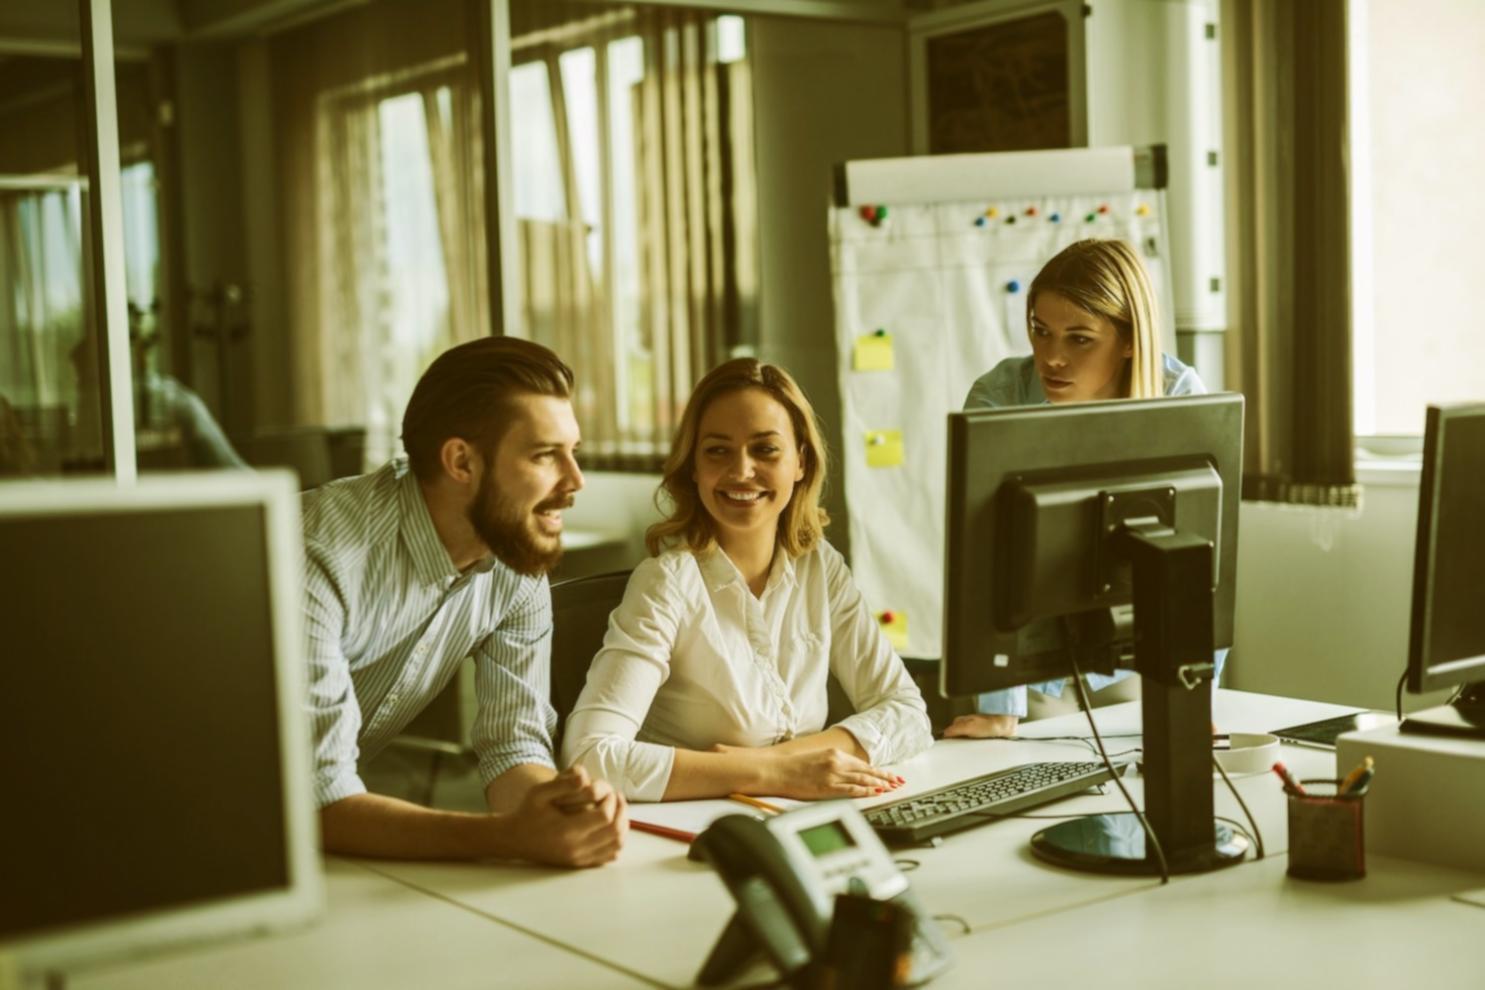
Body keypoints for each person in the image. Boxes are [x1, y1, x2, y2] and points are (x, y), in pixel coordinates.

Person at [305, 336, 626, 867]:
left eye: (574, 452)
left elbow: (512, 745)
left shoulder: (514, 561)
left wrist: (557, 811)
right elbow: (319, 799)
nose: (575, 481)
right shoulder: (319, 557)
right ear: (461, 462)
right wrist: (510, 838)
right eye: (546, 455)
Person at [561, 359, 933, 802]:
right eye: (717, 450)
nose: (741, 471)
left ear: (801, 461)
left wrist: (788, 762)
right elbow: (589, 757)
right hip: (696, 835)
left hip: (797, 817)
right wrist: (772, 774)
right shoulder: (666, 582)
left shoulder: (820, 566)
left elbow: (908, 713)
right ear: (693, 467)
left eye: (765, 449)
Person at [944, 237, 1220, 739]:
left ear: (1131, 338)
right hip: (1027, 658)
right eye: (1040, 332)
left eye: (1079, 339)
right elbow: (983, 555)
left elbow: (1204, 556)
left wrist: (1196, 691)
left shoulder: (1178, 395)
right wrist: (997, 705)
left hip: (1137, 645)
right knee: (1037, 773)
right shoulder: (998, 400)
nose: (1052, 358)